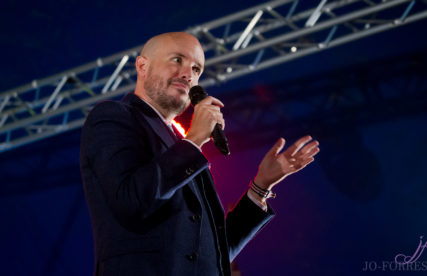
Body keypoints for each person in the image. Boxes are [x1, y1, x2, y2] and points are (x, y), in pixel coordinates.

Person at [80, 32, 320, 276]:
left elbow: (213, 254)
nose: (188, 74)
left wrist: (260, 186)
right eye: (177, 60)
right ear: (142, 65)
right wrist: (194, 140)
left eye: (197, 69)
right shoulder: (114, 116)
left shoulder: (182, 147)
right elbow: (131, 200)